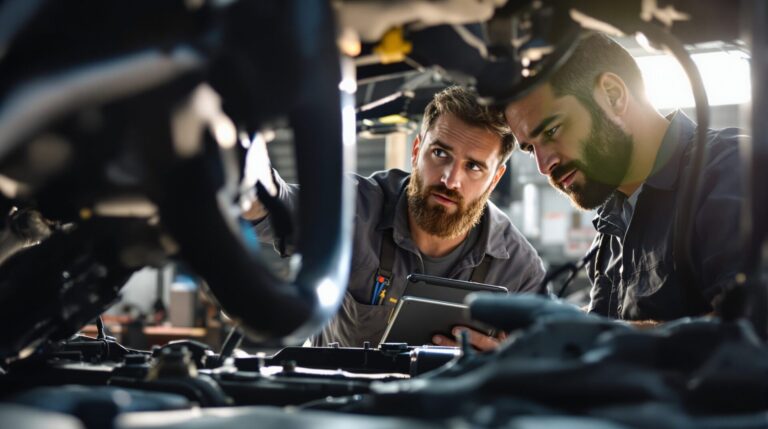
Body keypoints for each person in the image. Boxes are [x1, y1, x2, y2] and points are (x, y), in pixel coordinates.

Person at [244, 86, 545, 349]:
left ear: (495, 179)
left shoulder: (518, 270)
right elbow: (276, 205)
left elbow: (545, 366)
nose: (450, 180)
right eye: (440, 153)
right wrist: (244, 173)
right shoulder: (353, 209)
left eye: (474, 167)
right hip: (337, 406)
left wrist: (504, 363)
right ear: (416, 150)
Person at [502, 33, 744, 325]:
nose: (543, 165)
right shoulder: (612, 221)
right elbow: (604, 333)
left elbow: (749, 333)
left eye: (552, 131)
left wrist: (600, 340)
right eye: (529, 149)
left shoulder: (733, 170)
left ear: (612, 95)